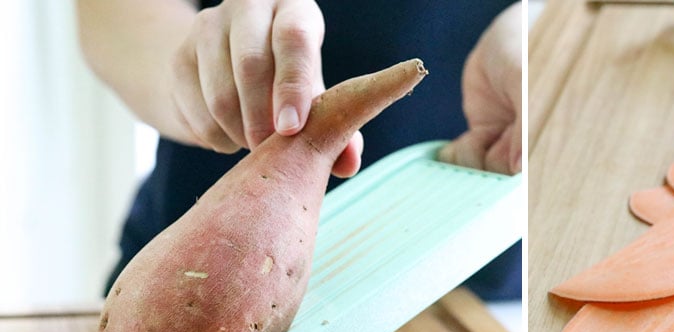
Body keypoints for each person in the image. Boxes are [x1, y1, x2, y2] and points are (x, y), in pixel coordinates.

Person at [76, 0, 522, 301]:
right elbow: (115, 17)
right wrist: (193, 77)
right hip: (193, 288)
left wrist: (549, 26)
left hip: (477, 279)